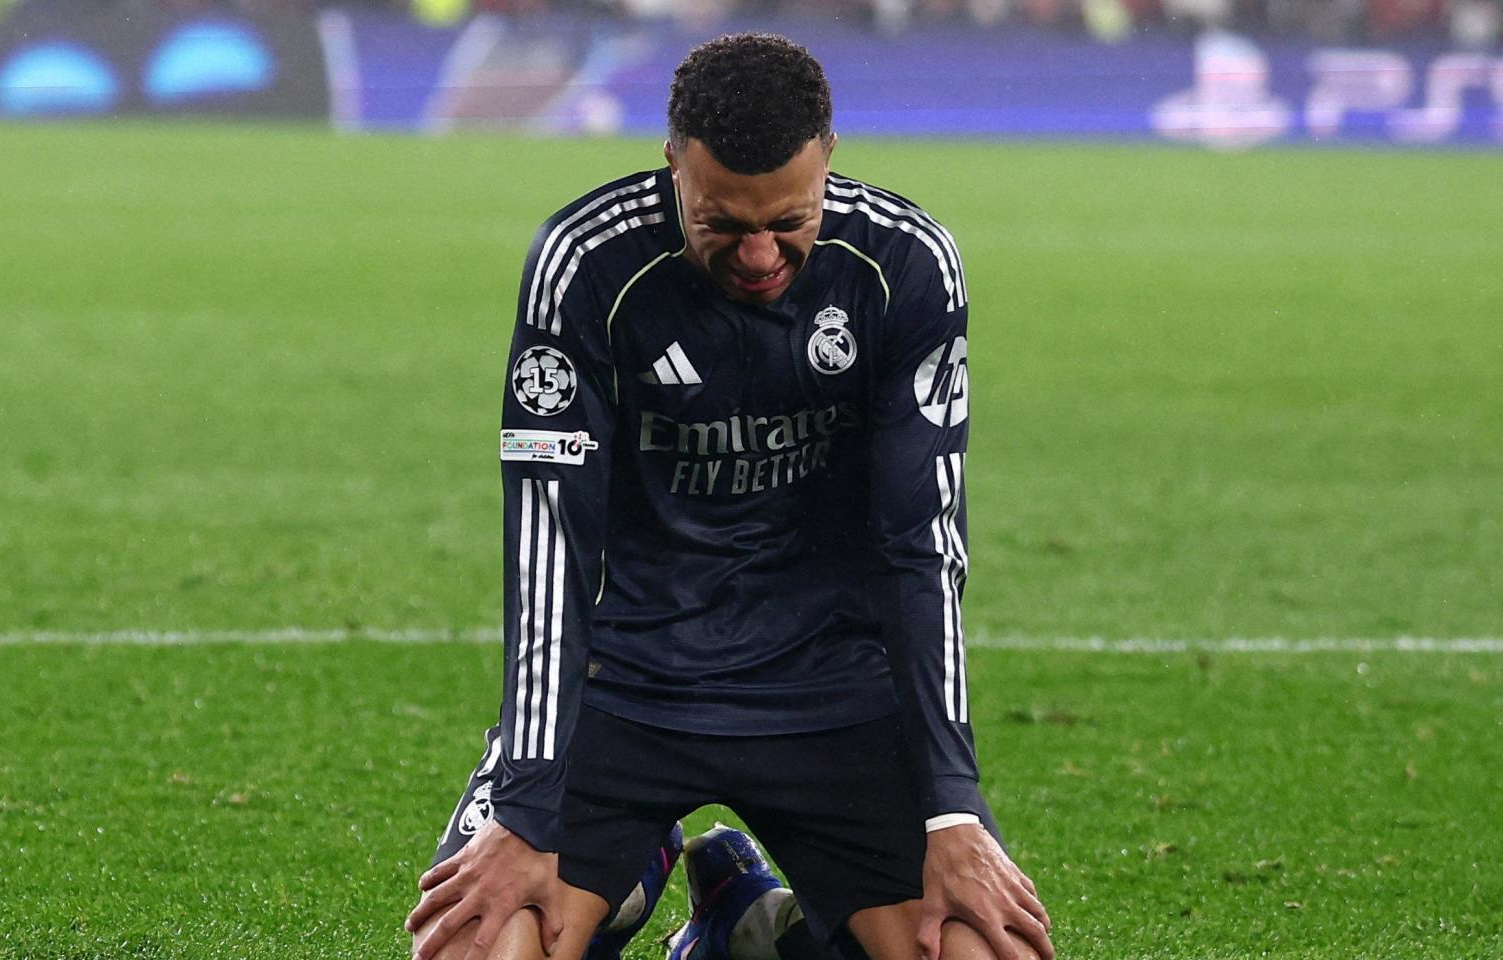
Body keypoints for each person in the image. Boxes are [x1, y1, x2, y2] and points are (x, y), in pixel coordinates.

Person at [404, 31, 1053, 960]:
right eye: (721, 223)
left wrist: (954, 810)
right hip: (627, 686)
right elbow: (549, 543)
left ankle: (751, 927)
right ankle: (627, 872)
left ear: (829, 158)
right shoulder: (585, 263)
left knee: (982, 950)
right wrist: (528, 802)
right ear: (673, 162)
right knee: (479, 944)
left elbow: (924, 543)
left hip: (832, 690)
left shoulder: (904, 265)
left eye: (788, 221)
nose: (758, 255)